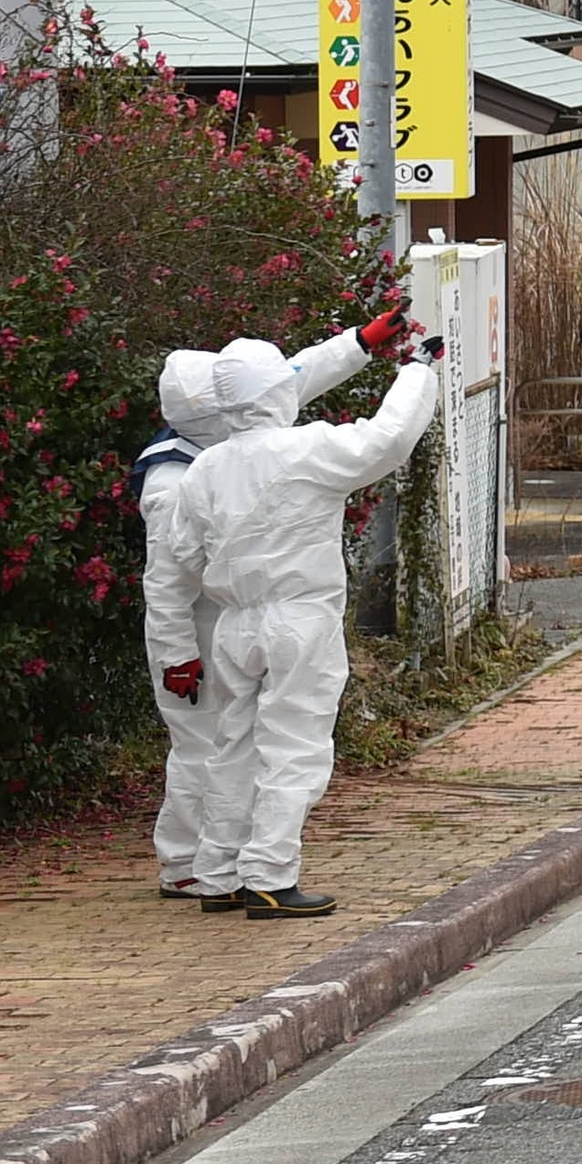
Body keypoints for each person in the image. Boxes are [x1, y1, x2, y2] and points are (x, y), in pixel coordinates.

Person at [140, 330, 439, 919]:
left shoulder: (202, 470)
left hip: (232, 625)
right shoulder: (307, 450)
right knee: (294, 748)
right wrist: (416, 372)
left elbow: (177, 562)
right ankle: (272, 875)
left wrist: (179, 644)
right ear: (279, 392)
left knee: (234, 748)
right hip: (299, 616)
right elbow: (388, 437)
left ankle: (218, 873)